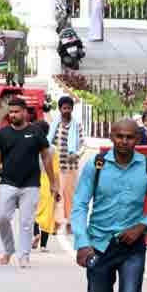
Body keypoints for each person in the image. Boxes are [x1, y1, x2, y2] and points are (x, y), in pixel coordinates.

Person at [71, 118, 147, 292]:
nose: (124, 142)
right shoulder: (96, 165)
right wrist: (82, 242)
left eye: (130, 137)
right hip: (98, 246)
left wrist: (142, 226)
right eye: (119, 136)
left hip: (132, 249)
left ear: (137, 140)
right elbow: (79, 204)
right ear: (111, 136)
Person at [0, 97, 58, 268]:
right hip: (8, 183)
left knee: (26, 222)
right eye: (10, 112)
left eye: (16, 112)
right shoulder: (3, 133)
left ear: (25, 112)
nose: (13, 115)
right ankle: (9, 249)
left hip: (31, 184)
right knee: (1, 217)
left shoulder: (36, 132)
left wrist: (52, 182)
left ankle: (24, 255)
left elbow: (46, 157)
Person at [47, 96, 82, 231]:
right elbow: (49, 143)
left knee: (70, 196)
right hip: (56, 167)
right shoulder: (55, 125)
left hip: (71, 168)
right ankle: (55, 223)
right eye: (64, 108)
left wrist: (76, 154)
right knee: (57, 194)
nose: (66, 110)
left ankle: (69, 223)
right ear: (60, 109)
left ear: (72, 109)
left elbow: (82, 144)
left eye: (69, 108)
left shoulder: (76, 125)